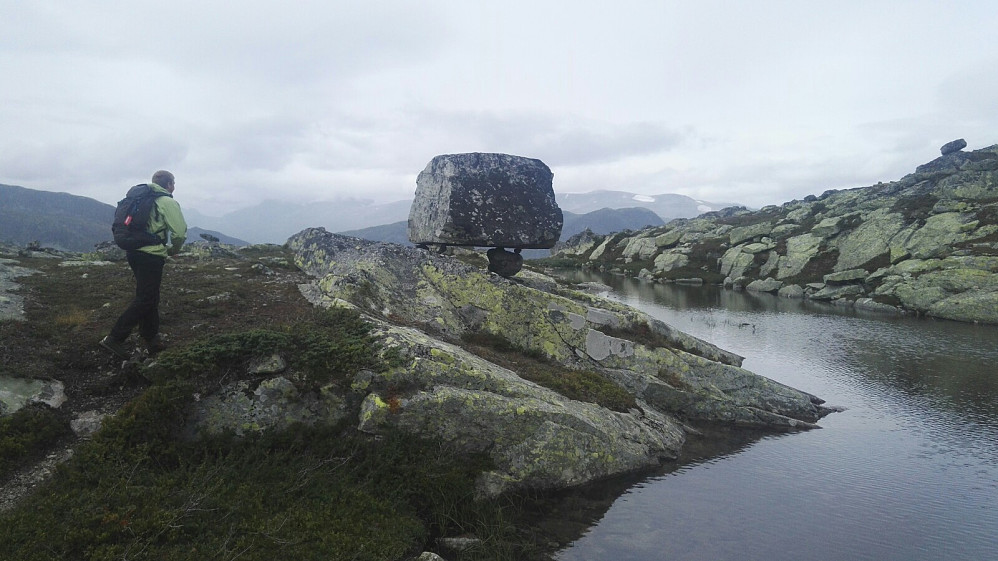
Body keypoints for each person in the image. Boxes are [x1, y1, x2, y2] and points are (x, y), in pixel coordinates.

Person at [100, 170, 187, 358]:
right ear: (170, 184)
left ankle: (151, 338)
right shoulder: (167, 202)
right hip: (151, 255)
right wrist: (173, 250)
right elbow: (179, 232)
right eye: (174, 183)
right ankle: (115, 337)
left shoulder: (138, 198)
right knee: (146, 298)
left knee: (149, 296)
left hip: (133, 252)